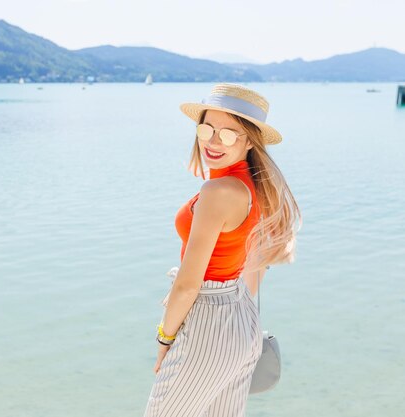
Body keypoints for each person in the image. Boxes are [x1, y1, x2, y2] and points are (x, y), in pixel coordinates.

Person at [143, 83, 302, 417]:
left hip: (207, 322)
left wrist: (164, 340)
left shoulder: (218, 192)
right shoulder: (257, 186)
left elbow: (188, 285)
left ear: (249, 141)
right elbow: (253, 268)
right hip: (242, 320)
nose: (214, 142)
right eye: (207, 129)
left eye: (229, 134)